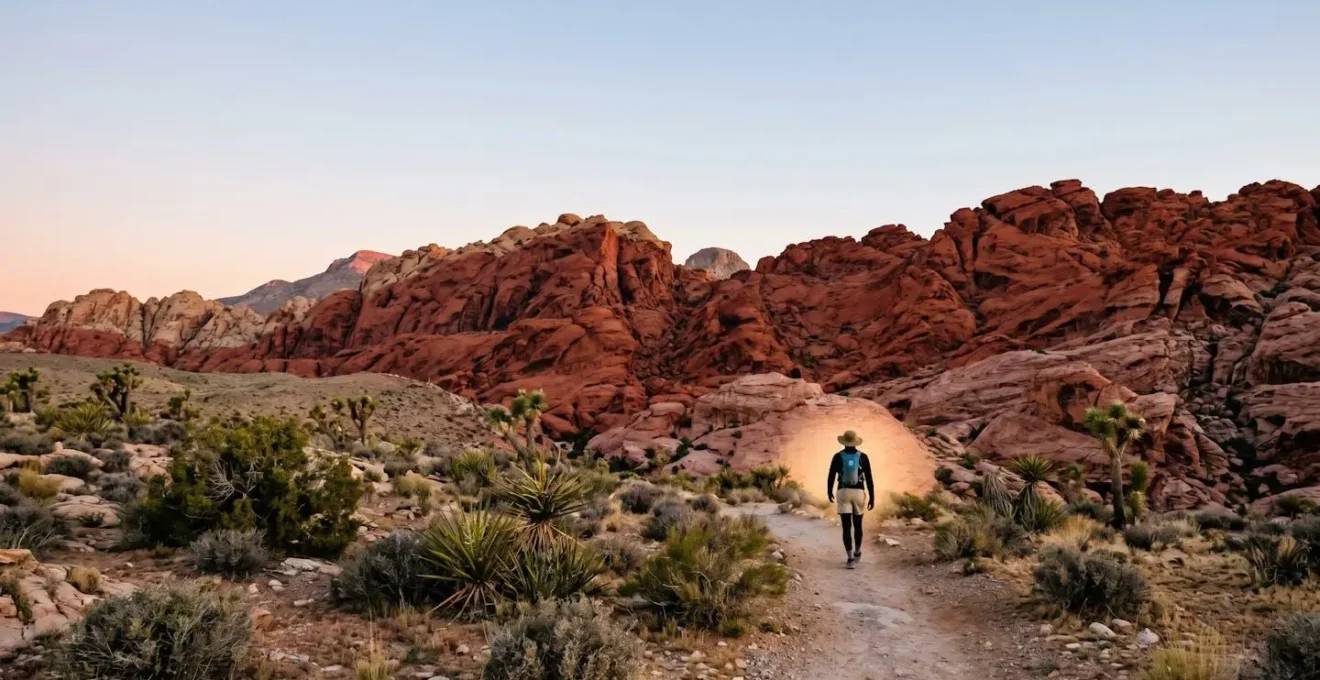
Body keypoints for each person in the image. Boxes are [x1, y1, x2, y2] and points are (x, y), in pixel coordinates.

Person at [826, 430, 875, 569]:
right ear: (855, 441)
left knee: (846, 526)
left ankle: (850, 558)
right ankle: (858, 551)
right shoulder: (863, 457)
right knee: (858, 524)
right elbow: (869, 478)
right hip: (859, 492)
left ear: (844, 441)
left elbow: (831, 476)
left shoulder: (837, 456)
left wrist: (829, 491)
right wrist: (872, 497)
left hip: (843, 492)